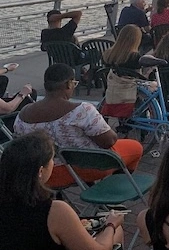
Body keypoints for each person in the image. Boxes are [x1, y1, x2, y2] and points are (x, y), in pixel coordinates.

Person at [0, 132, 126, 250]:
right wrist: (110, 225)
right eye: (52, 159)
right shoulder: (56, 212)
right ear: (41, 171)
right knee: (115, 232)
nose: (53, 163)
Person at [15, 63, 144, 189]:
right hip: (88, 169)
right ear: (68, 84)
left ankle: (68, 193)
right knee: (135, 147)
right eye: (74, 84)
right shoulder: (82, 110)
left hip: (43, 175)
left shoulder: (23, 114)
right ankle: (112, 193)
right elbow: (109, 141)